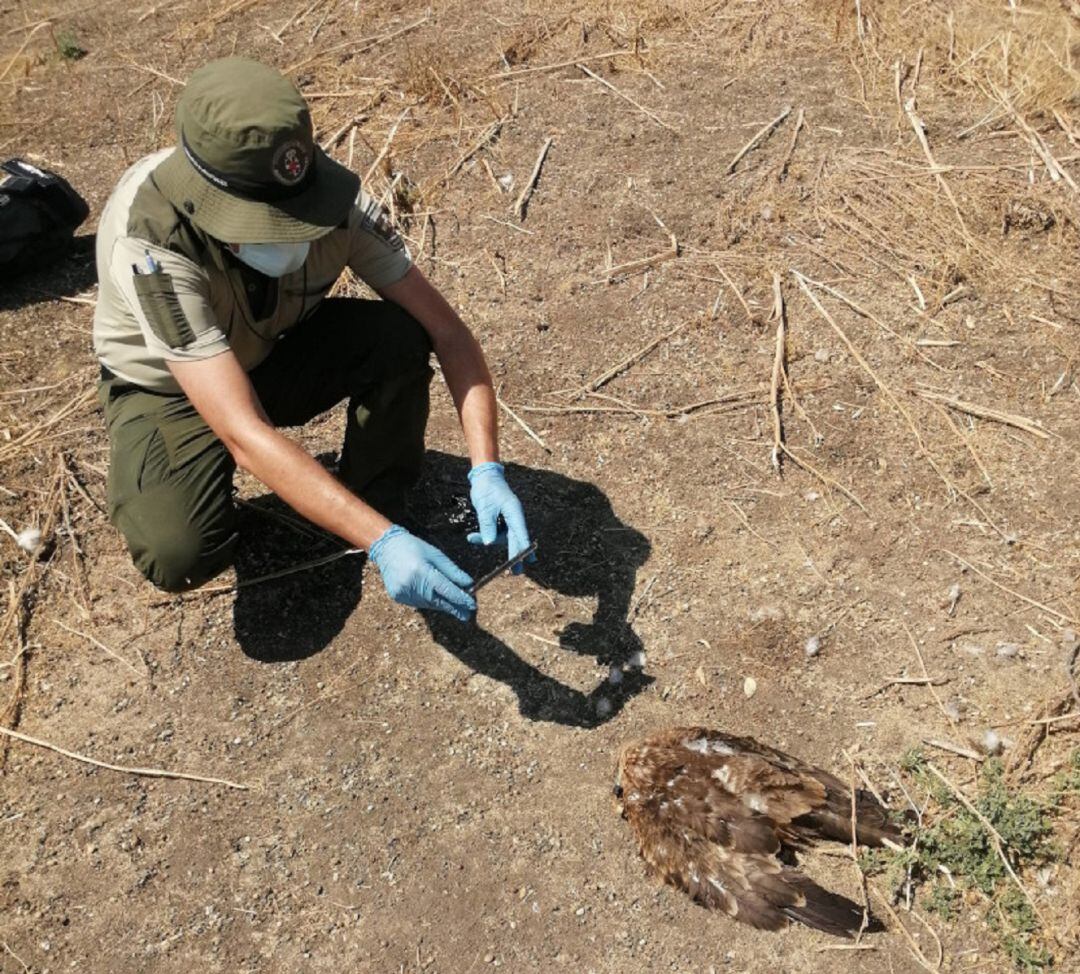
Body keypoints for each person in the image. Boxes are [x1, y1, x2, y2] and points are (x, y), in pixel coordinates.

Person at [91, 57, 533, 622]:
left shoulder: (337, 205)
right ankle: (359, 526)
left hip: (272, 347)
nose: (295, 232)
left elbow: (447, 330)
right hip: (171, 390)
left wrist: (486, 468)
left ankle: (372, 501)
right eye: (269, 222)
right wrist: (384, 542)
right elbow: (242, 429)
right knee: (178, 550)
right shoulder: (153, 245)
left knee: (400, 336)